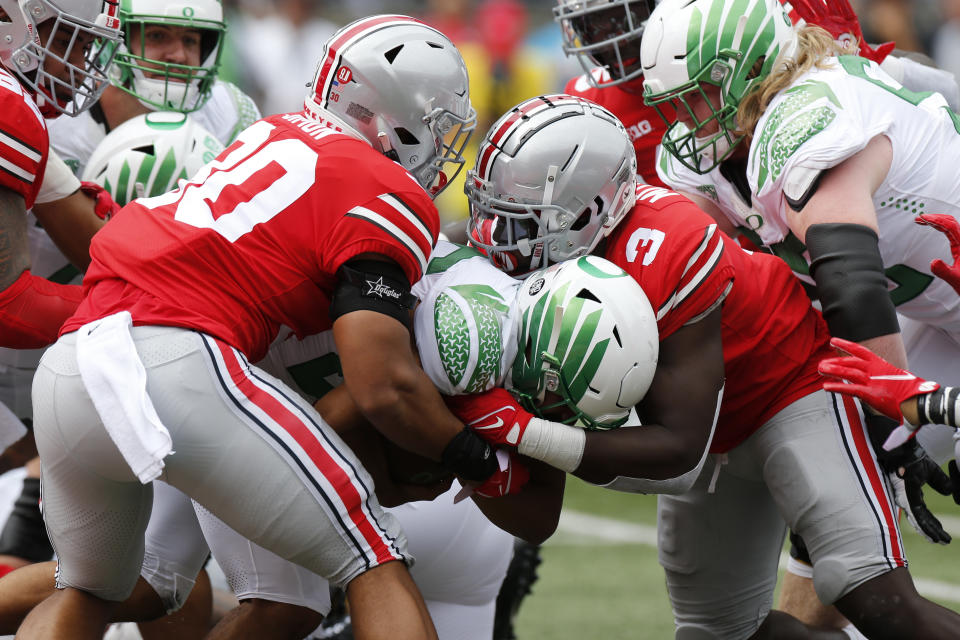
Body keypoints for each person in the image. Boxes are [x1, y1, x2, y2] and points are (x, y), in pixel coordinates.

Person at [16, 14, 483, 640]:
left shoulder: (270, 131)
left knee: (90, 593)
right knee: (373, 558)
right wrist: (467, 452)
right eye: (433, 124)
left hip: (73, 362)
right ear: (390, 112)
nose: (437, 144)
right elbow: (381, 384)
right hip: (178, 359)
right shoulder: (379, 184)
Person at [462, 93, 960, 639]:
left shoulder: (667, 245)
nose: (496, 241)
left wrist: (524, 432)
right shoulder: (552, 251)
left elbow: (678, 457)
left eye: (521, 220)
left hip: (790, 388)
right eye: (494, 214)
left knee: (871, 593)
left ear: (590, 210)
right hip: (710, 425)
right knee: (719, 633)